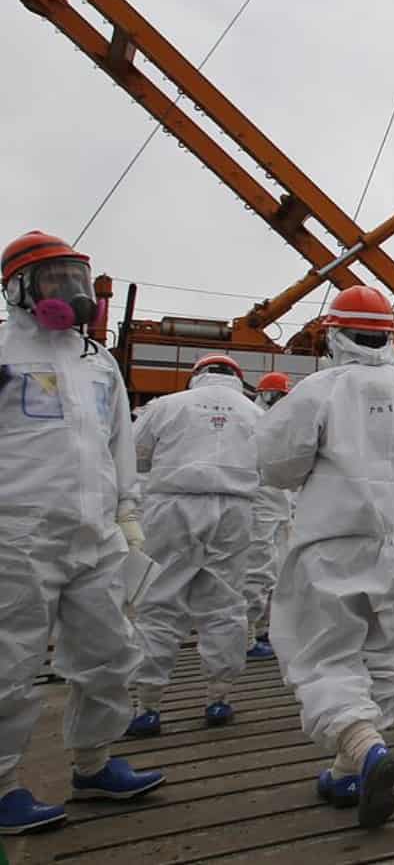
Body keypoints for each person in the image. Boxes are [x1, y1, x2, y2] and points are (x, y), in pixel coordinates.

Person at [257, 285, 394, 828]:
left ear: (333, 336)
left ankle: (364, 746)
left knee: (320, 655)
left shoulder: (322, 389)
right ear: (389, 336)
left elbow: (276, 466)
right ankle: (349, 770)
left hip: (336, 544)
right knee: (381, 655)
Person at [0, 230, 163, 836]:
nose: (70, 292)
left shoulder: (98, 363)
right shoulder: (4, 353)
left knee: (110, 653)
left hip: (95, 532)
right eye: (54, 280)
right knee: (9, 662)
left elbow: (118, 443)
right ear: (19, 289)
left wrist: (127, 514)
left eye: (76, 278)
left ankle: (93, 764)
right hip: (17, 532)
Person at [126, 353, 263, 734]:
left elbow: (136, 455)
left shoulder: (166, 406)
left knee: (158, 601)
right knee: (225, 604)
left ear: (196, 375)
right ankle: (218, 698)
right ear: (237, 377)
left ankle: (147, 706)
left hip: (172, 504)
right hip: (234, 509)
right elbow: (271, 462)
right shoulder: (255, 413)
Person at [245, 371, 294, 661]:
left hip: (277, 507)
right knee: (257, 569)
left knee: (277, 570)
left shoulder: (278, 423)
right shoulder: (256, 420)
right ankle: (246, 636)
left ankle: (263, 628)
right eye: (278, 396)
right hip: (261, 506)